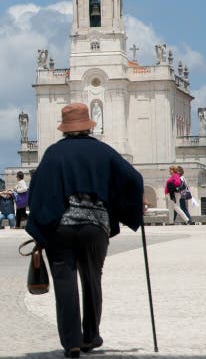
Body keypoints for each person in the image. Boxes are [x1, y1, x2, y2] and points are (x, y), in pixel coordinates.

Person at [26, 103, 143, 358]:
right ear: (88, 124)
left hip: (61, 227)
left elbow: (38, 190)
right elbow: (134, 179)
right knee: (92, 278)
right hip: (95, 226)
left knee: (64, 280)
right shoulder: (103, 151)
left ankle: (72, 342)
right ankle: (91, 335)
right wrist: (130, 210)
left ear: (65, 128)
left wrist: (40, 225)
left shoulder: (54, 153)